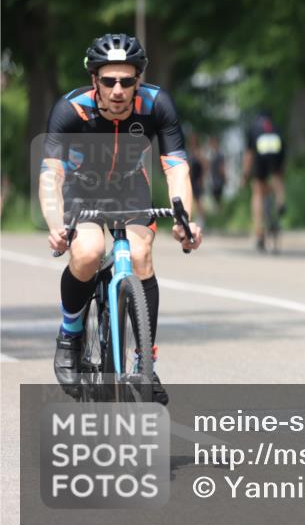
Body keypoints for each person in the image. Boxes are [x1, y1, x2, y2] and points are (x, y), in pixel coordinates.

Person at [40, 33, 203, 405]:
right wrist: (55, 224)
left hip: (130, 186)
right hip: (81, 189)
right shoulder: (72, 109)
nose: (118, 90)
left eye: (127, 81)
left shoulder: (156, 105)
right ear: (94, 79)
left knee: (142, 253)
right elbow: (51, 175)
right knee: (89, 252)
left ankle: (145, 361)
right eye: (109, 80)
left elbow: (177, 168)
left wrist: (184, 220)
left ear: (138, 81)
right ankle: (70, 334)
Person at [242, 110, 286, 251]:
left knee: (257, 192)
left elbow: (249, 155)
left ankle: (259, 232)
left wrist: (245, 175)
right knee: (277, 177)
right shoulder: (276, 128)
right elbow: (283, 152)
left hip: (261, 158)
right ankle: (280, 202)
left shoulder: (254, 129)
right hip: (276, 155)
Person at [208, 135, 227, 208]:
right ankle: (219, 210)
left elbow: (222, 167)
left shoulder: (220, 154)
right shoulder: (212, 154)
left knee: (218, 197)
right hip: (213, 179)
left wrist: (225, 177)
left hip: (219, 179)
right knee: (215, 197)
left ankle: (220, 210)